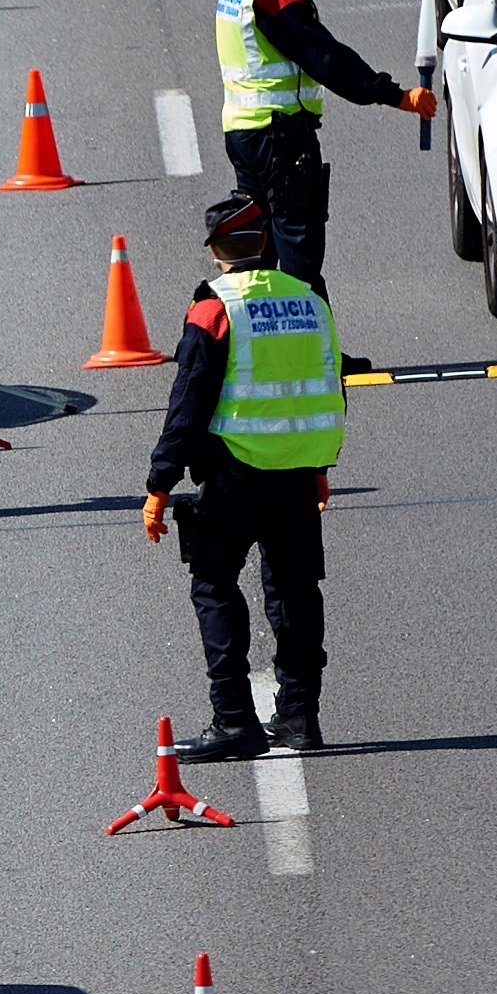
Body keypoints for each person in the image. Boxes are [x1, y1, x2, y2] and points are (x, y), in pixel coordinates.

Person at [141, 191, 347, 760]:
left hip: (233, 474)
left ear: (215, 252)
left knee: (213, 585)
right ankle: (301, 718)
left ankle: (234, 720)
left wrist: (160, 482)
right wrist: (318, 467)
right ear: (265, 241)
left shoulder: (214, 307)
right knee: (295, 590)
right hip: (297, 474)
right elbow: (329, 383)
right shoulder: (309, 298)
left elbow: (188, 399)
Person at [214, 0, 436, 301]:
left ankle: (261, 343)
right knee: (299, 245)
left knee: (257, 246)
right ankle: (315, 347)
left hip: (244, 132)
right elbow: (327, 59)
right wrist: (394, 95)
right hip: (280, 136)